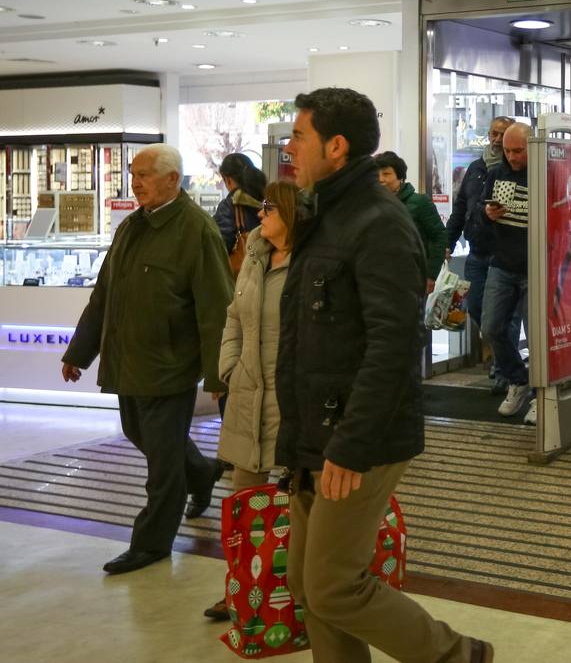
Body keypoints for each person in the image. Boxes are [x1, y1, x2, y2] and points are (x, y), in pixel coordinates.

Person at [277, 87, 493, 662]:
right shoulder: (326, 214)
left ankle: (458, 656)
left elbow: (395, 344)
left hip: (357, 436)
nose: (289, 148)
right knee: (308, 585)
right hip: (316, 430)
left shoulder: (378, 223)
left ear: (336, 146)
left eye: (298, 136)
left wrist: (351, 444)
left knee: (333, 585)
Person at [60, 144, 232, 574]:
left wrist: (219, 373)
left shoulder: (196, 230)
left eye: (144, 175)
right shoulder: (131, 226)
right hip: (127, 360)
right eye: (133, 175)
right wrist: (79, 352)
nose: (135, 183)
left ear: (172, 179)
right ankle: (203, 473)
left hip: (170, 365)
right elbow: (104, 295)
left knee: (162, 463)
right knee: (143, 436)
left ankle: (151, 544)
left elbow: (216, 309)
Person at [204, 179, 302, 622]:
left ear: (291, 214)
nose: (259, 215)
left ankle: (294, 594)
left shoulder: (308, 263)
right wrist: (230, 366)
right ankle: (240, 591)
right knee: (243, 507)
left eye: (268, 208)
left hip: (290, 400)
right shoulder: (255, 256)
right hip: (247, 397)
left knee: (296, 509)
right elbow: (233, 315)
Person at [446, 116, 514, 390]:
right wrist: (449, 241)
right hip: (476, 251)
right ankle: (502, 358)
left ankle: (505, 370)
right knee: (476, 307)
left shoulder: (515, 171)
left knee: (504, 316)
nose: (497, 140)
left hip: (504, 255)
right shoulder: (476, 168)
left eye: (502, 135)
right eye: (494, 134)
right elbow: (461, 208)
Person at [477, 122, 533, 420]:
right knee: (491, 327)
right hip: (502, 263)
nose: (512, 156)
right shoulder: (498, 173)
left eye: (518, 151)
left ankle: (541, 394)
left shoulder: (545, 174)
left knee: (537, 336)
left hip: (536, 267)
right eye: (507, 151)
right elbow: (480, 211)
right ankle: (518, 379)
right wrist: (487, 214)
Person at [375, 150, 449, 293]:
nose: (380, 179)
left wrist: (430, 275)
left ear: (400, 176)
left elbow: (439, 237)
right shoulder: (372, 205)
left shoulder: (420, 203)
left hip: (412, 278)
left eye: (386, 174)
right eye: (376, 174)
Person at [214, 152, 265, 253]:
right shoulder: (266, 201)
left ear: (228, 179)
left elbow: (220, 247)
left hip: (245, 261)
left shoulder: (228, 206)